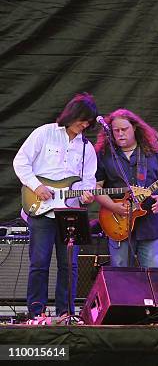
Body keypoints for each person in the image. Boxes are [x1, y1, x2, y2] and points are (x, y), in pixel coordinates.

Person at [13, 92, 98, 317]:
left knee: (69, 266)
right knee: (39, 263)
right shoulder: (45, 133)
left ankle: (65, 314)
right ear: (72, 114)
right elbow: (21, 162)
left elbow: (88, 180)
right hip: (40, 208)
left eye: (89, 121)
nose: (85, 124)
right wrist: (36, 186)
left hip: (70, 212)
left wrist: (86, 196)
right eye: (83, 119)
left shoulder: (86, 148)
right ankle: (36, 313)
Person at [94, 109, 158, 268]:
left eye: (124, 129)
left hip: (150, 223)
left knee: (151, 275)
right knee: (121, 276)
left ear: (135, 128)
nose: (120, 134)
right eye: (116, 130)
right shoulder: (104, 154)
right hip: (118, 223)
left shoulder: (154, 150)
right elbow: (96, 187)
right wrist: (113, 206)